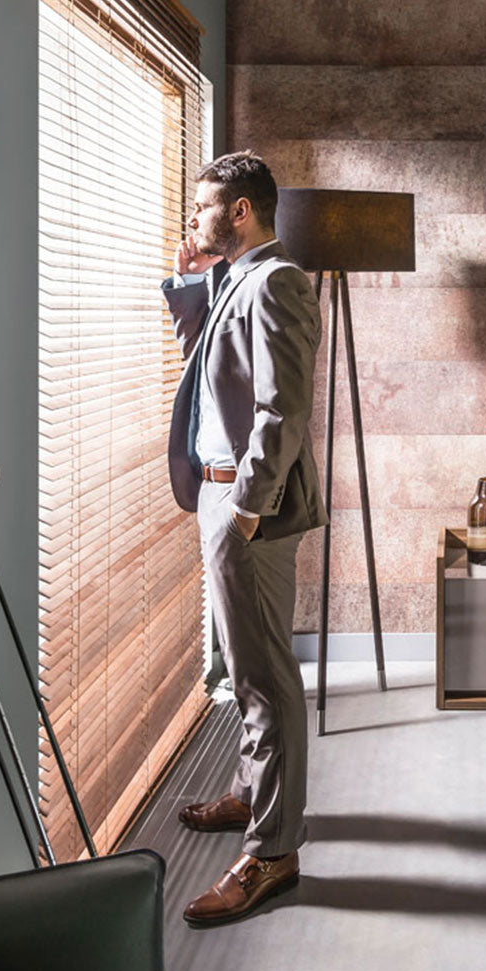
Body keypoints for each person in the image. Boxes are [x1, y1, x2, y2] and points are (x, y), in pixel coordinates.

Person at [161, 150, 327, 926]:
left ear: (239, 211)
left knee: (264, 677)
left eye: (201, 208)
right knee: (239, 664)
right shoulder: (235, 279)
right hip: (219, 498)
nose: (191, 219)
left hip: (245, 506)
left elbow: (282, 409)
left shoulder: (279, 282)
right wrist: (191, 277)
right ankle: (257, 794)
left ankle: (273, 853)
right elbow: (206, 363)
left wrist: (251, 508)